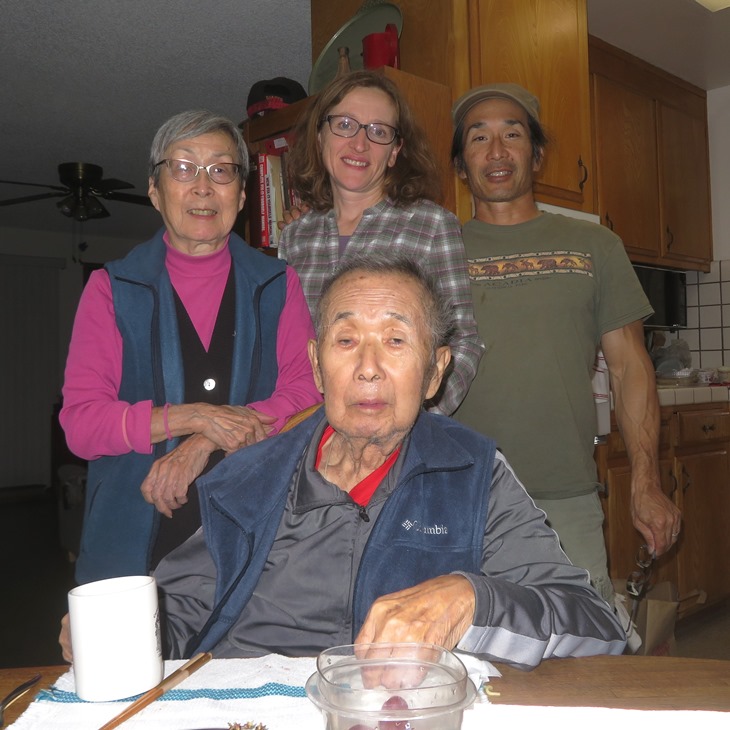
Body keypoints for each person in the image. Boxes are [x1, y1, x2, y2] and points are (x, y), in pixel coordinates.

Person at [58, 254, 627, 670]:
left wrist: (472, 597)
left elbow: (597, 628)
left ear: (436, 372)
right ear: (316, 363)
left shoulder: (474, 474)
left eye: (396, 341)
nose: (369, 367)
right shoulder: (247, 475)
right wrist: (123, 633)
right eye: (346, 340)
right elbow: (182, 610)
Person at [60, 109, 322, 585]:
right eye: (183, 168)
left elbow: (309, 393)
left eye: (221, 170)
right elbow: (81, 425)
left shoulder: (278, 284)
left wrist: (206, 440)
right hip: (132, 547)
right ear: (155, 191)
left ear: (241, 195)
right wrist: (194, 416)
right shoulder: (110, 288)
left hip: (255, 542)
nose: (203, 186)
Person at [449, 83, 682, 610]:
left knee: (584, 659)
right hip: (456, 498)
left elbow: (629, 369)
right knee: (464, 662)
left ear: (537, 154)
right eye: (478, 138)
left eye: (513, 133)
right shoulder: (437, 249)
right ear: (461, 166)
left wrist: (645, 479)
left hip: (566, 499)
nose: (497, 150)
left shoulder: (595, 245)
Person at [277, 69, 482, 416]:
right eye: (344, 124)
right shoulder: (295, 237)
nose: (360, 144)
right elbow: (288, 352)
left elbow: (463, 343)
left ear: (394, 151)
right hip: (305, 432)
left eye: (378, 131)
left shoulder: (432, 225)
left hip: (394, 433)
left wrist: (418, 421)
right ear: (319, 136)